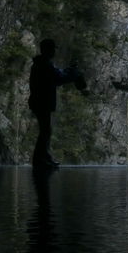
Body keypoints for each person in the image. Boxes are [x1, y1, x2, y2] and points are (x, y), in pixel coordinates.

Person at [28, 38, 83, 168]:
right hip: (42, 102)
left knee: (46, 130)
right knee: (45, 130)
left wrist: (68, 71)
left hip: (39, 102)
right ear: (47, 50)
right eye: (52, 49)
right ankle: (40, 159)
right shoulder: (45, 65)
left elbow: (58, 75)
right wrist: (72, 72)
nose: (54, 52)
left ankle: (43, 157)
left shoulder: (41, 64)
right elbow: (59, 78)